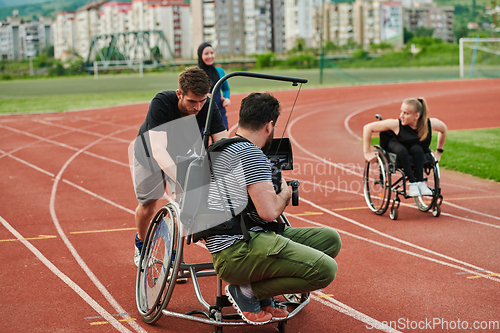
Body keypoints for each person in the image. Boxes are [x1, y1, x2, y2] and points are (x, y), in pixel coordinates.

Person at [204, 92, 342, 325]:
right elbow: (269, 212)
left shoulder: (221, 148)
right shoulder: (252, 154)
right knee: (326, 270)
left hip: (246, 236)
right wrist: (284, 193)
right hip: (237, 250)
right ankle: (248, 292)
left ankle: (262, 291)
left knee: (330, 239)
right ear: (269, 125)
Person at [132, 67, 228, 266]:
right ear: (179, 94)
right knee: (148, 207)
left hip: (182, 154)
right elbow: (158, 150)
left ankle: (174, 257)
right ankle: (141, 244)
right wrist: (184, 180)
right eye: (192, 101)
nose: (198, 107)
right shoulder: (161, 103)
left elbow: (222, 144)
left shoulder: (207, 106)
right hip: (149, 155)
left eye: (202, 101)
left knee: (188, 202)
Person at [363, 97, 447, 197]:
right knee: (402, 150)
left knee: (418, 149)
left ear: (416, 116)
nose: (401, 116)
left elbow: (444, 129)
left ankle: (420, 183)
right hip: (396, 146)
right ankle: (412, 184)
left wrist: (439, 152)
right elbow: (367, 128)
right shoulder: (396, 124)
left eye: (406, 113)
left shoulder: (429, 124)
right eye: (401, 112)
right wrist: (367, 153)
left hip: (413, 150)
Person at [198, 42, 230, 129]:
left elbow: (226, 89)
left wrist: (226, 98)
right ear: (200, 55)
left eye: (212, 53)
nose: (210, 56)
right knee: (201, 140)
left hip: (219, 110)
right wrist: (202, 95)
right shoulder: (196, 72)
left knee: (222, 139)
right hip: (202, 112)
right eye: (206, 54)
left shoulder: (220, 71)